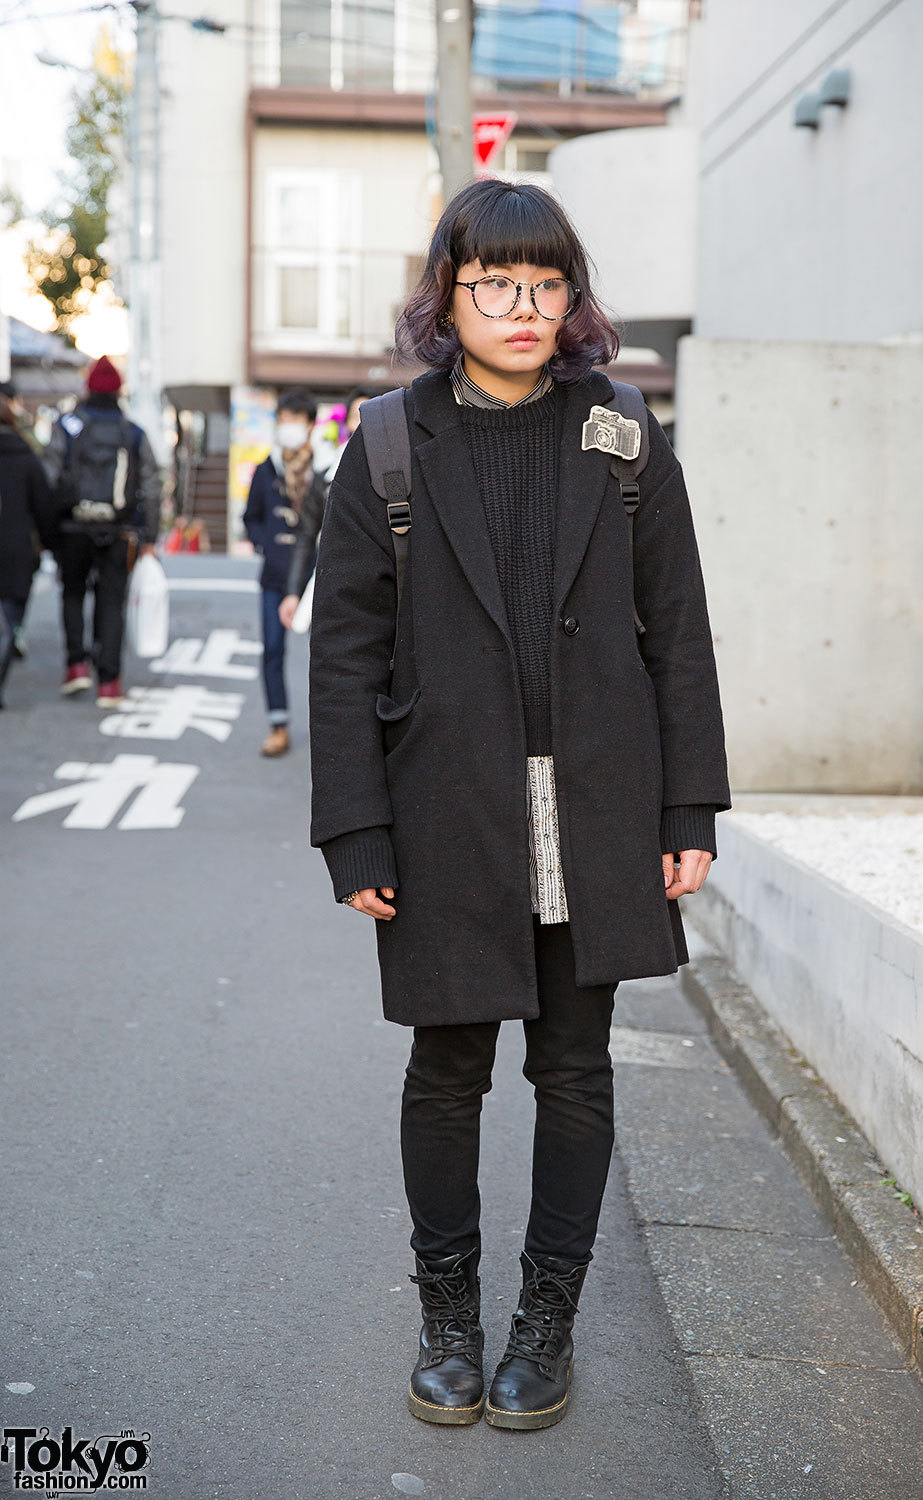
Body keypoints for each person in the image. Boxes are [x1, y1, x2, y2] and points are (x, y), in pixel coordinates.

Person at [308, 180, 730, 1430]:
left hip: (598, 803)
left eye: (545, 284)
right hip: (446, 809)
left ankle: (543, 1328)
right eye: (494, 283)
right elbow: (345, 657)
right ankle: (449, 1318)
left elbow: (682, 635)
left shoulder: (621, 433)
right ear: (447, 294)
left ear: (572, 298)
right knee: (446, 1069)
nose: (522, 307)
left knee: (575, 1067)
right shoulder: (388, 439)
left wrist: (687, 810)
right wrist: (355, 829)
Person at [42, 355, 161, 706]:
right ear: (119, 390)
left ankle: (76, 665)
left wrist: (50, 531)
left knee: (73, 593)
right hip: (120, 530)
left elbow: (50, 478)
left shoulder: (68, 425)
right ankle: (109, 682)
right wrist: (150, 536)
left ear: (88, 387)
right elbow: (152, 485)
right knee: (112, 601)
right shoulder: (133, 432)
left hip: (72, 527)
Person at [242, 386, 327, 756]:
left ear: (310, 425)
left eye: (294, 420)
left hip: (318, 577)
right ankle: (278, 724)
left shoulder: (325, 469)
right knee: (272, 650)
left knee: (326, 654)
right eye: (282, 420)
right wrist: (269, 543)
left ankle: (328, 728)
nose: (287, 427)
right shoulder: (266, 468)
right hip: (275, 576)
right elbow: (251, 518)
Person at [277, 385, 383, 631]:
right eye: (355, 416)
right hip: (333, 584)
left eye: (367, 415)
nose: (361, 423)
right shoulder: (327, 473)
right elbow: (306, 535)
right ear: (345, 422)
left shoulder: (400, 473)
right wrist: (293, 591)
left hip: (381, 588)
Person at [0, 380, 57, 706]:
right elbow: (43, 504)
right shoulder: (26, 452)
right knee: (10, 614)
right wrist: (49, 542)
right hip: (16, 547)